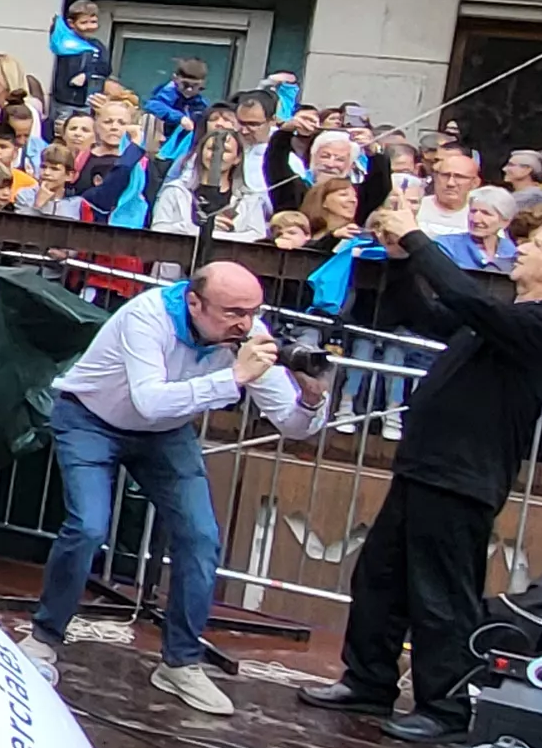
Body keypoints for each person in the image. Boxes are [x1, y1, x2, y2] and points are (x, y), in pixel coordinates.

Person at [301, 197, 542, 740]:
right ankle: (368, 679)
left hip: (463, 476)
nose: (523, 249)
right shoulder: (509, 319)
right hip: (427, 465)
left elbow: (464, 298)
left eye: (538, 245)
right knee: (380, 578)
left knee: (441, 595)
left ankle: (445, 707)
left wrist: (416, 238)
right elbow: (428, 314)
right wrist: (398, 259)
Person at [27, 266, 330, 715]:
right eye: (233, 312)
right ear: (194, 303)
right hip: (91, 418)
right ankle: (43, 638)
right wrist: (233, 378)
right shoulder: (146, 317)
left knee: (201, 537)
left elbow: (293, 425)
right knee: (89, 526)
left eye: (253, 312)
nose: (245, 325)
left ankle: (181, 663)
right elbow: (149, 399)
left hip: (165, 432)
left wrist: (311, 398)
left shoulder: (247, 335)